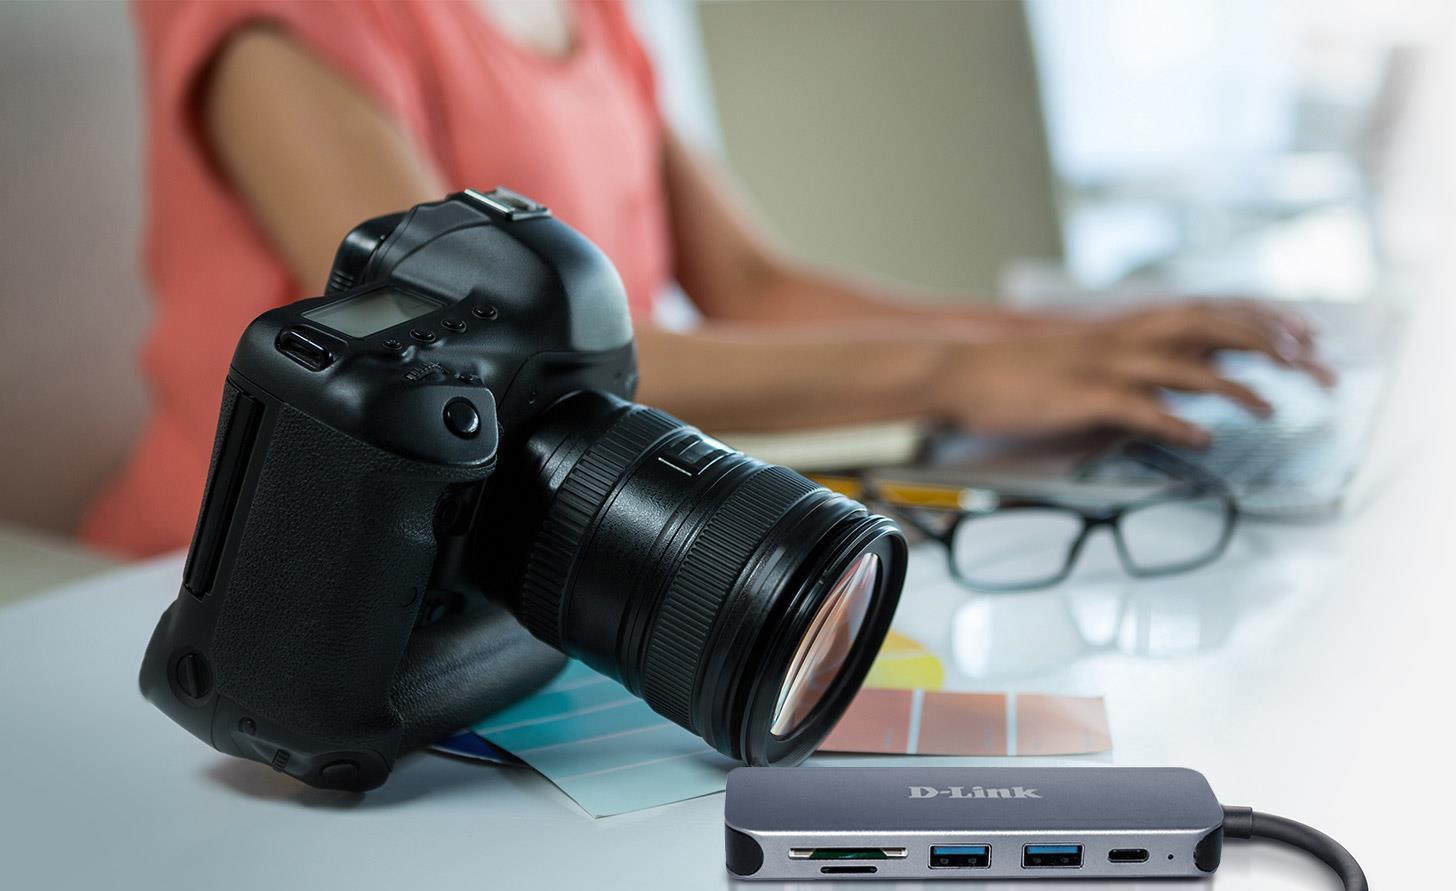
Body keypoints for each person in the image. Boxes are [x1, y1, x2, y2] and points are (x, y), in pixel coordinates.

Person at [82, 0, 1330, 558]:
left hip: (511, 555)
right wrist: (965, 371)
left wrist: (1059, 343)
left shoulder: (590, 11)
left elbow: (749, 281)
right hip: (248, 575)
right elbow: (489, 354)